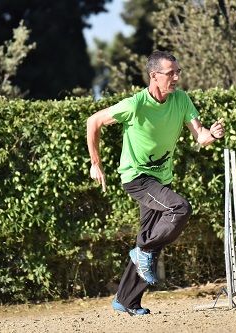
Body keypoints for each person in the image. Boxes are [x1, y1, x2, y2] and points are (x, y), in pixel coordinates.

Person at [86, 50, 225, 316]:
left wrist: (213, 135)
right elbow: (93, 121)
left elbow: (200, 137)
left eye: (178, 72)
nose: (176, 77)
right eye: (171, 73)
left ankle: (126, 300)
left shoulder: (182, 100)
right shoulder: (135, 104)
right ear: (154, 76)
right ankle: (142, 253)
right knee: (179, 209)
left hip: (160, 178)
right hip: (136, 177)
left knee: (150, 239)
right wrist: (96, 163)